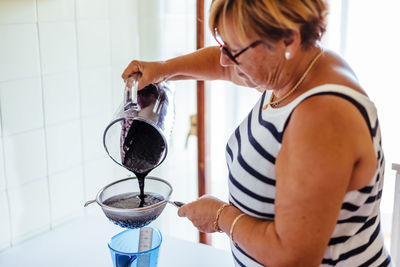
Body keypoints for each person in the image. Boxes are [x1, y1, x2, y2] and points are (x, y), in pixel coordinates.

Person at [122, 0, 391, 266]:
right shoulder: (294, 70)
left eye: (236, 49)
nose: (226, 59)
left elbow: (293, 258)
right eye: (223, 45)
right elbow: (224, 66)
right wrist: (164, 70)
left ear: (288, 41)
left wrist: (220, 217)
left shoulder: (322, 117)